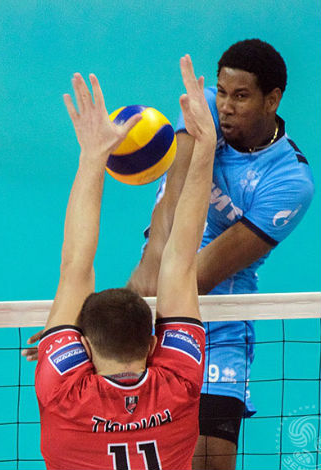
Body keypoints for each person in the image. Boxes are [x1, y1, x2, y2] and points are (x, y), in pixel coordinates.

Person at [126, 39, 315, 470]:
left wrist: (131, 304)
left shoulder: (289, 181)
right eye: (223, 92)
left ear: (273, 99)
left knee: (209, 462)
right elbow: (172, 201)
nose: (226, 106)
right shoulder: (205, 105)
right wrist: (147, 270)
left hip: (220, 320)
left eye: (241, 96)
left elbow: (200, 275)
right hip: (153, 297)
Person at [35, 55, 215, 470]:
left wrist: (92, 155)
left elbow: (76, 265)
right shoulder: (179, 385)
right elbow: (181, 261)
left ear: (84, 347)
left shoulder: (64, 394)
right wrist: (206, 147)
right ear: (153, 346)